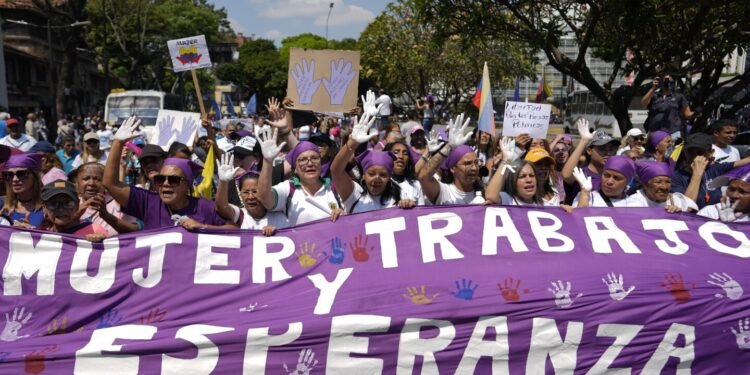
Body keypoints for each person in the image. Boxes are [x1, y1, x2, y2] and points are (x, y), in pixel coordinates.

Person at [103, 117, 229, 230]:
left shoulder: (205, 207)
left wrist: (203, 227)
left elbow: (234, 229)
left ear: (187, 185)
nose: (166, 184)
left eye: (173, 180)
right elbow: (110, 183)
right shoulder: (148, 202)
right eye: (160, 179)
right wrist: (117, 143)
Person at [256, 127, 344, 226]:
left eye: (315, 158)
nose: (310, 163)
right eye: (303, 160)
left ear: (321, 164)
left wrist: (344, 215)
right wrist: (267, 161)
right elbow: (264, 198)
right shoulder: (288, 189)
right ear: (295, 169)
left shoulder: (335, 188)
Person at [332, 113, 408, 213]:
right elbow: (336, 171)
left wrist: (409, 206)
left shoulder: (400, 196)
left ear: (390, 177)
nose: (377, 178)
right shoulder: (354, 194)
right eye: (371, 174)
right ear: (363, 175)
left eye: (383, 175)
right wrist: (353, 142)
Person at [671, 133, 750, 210]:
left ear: (711, 152)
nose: (695, 157)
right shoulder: (677, 177)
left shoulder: (715, 169)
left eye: (700, 152)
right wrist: (696, 174)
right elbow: (687, 207)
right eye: (690, 152)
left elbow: (746, 161)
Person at [418, 113, 483, 205]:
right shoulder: (443, 191)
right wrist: (449, 147)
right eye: (467, 163)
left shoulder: (484, 194)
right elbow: (423, 176)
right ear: (452, 168)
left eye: (476, 163)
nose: (474, 168)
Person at [215, 153, 288, 235]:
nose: (250, 197)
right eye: (246, 192)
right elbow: (221, 206)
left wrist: (276, 233)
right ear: (240, 194)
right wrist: (223, 181)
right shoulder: (241, 215)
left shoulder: (280, 216)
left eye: (255, 191)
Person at [561, 119, 621, 203]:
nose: (607, 153)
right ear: (589, 150)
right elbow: (566, 175)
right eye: (602, 149)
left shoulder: (615, 176)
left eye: (611, 149)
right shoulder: (581, 175)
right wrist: (584, 141)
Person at [76, 162, 141, 236]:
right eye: (86, 179)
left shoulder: (118, 203)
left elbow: (136, 232)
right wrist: (75, 215)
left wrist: (107, 216)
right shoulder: (70, 203)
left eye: (98, 179)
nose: (91, 183)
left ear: (105, 183)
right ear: (77, 182)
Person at [41, 179, 108, 241]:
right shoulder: (41, 237)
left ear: (77, 205)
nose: (61, 209)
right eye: (53, 204)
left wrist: (101, 241)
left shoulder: (94, 230)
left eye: (68, 203)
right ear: (44, 207)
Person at [624, 161, 697, 212]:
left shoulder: (676, 201)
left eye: (668, 182)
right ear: (645, 185)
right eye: (658, 182)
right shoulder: (631, 204)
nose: (664, 187)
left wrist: (678, 216)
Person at [0, 153, 45, 228]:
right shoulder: (1, 204)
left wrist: (32, 231)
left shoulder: (48, 207)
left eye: (21, 174)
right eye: (10, 175)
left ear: (35, 176)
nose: (15, 179)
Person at [384, 140, 424, 205]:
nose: (401, 156)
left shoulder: (416, 184)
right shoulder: (382, 183)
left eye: (405, 153)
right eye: (396, 152)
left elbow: (421, 210)